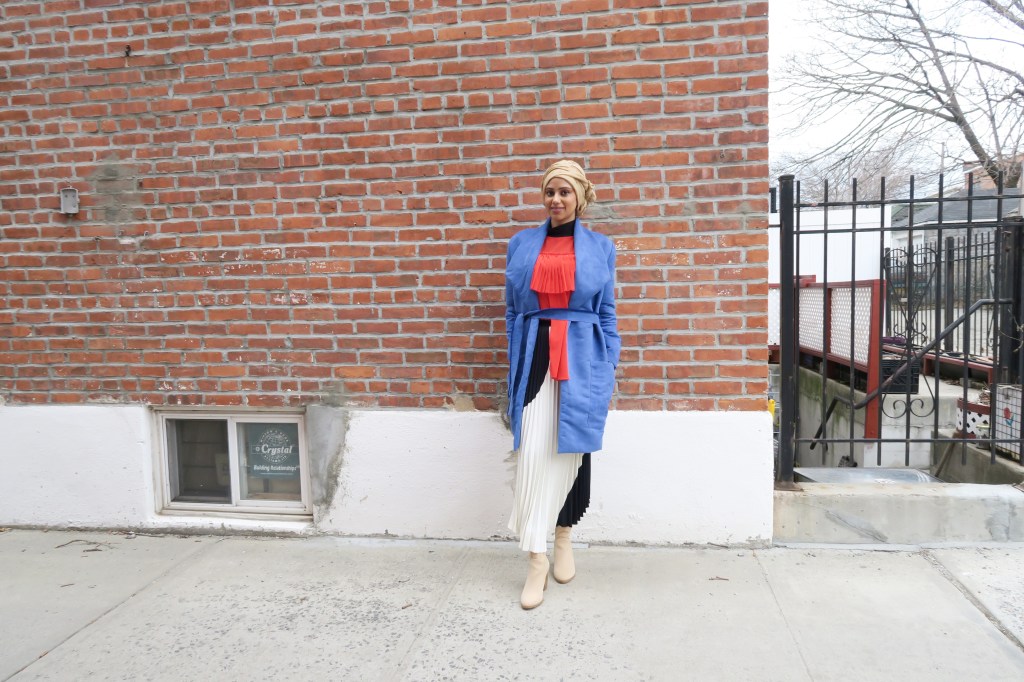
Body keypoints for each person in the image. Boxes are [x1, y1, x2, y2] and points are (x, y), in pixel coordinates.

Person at [504, 159, 620, 610]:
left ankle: (564, 534)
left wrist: (609, 361)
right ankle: (536, 558)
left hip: (582, 355)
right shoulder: (520, 244)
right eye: (550, 191)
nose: (556, 199)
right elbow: (512, 310)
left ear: (580, 197)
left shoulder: (601, 247)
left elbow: (607, 311)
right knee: (534, 452)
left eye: (565, 191)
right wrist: (516, 354)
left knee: (574, 447)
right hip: (534, 353)